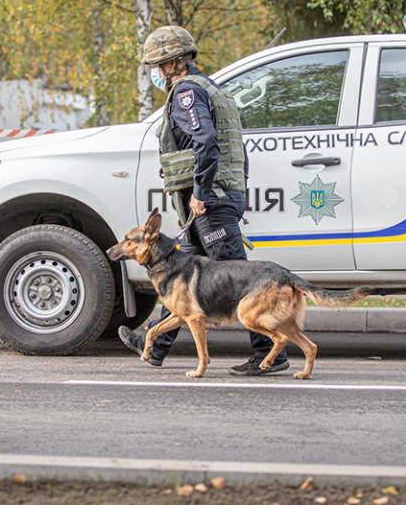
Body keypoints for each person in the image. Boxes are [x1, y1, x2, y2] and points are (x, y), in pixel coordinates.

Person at [117, 25, 289, 376]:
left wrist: (199, 190)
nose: (155, 72)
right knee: (181, 273)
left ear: (174, 63)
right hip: (222, 194)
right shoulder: (210, 88)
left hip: (211, 200)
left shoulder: (186, 94)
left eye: (158, 64)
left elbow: (207, 142)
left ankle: (271, 353)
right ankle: (154, 343)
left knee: (235, 275)